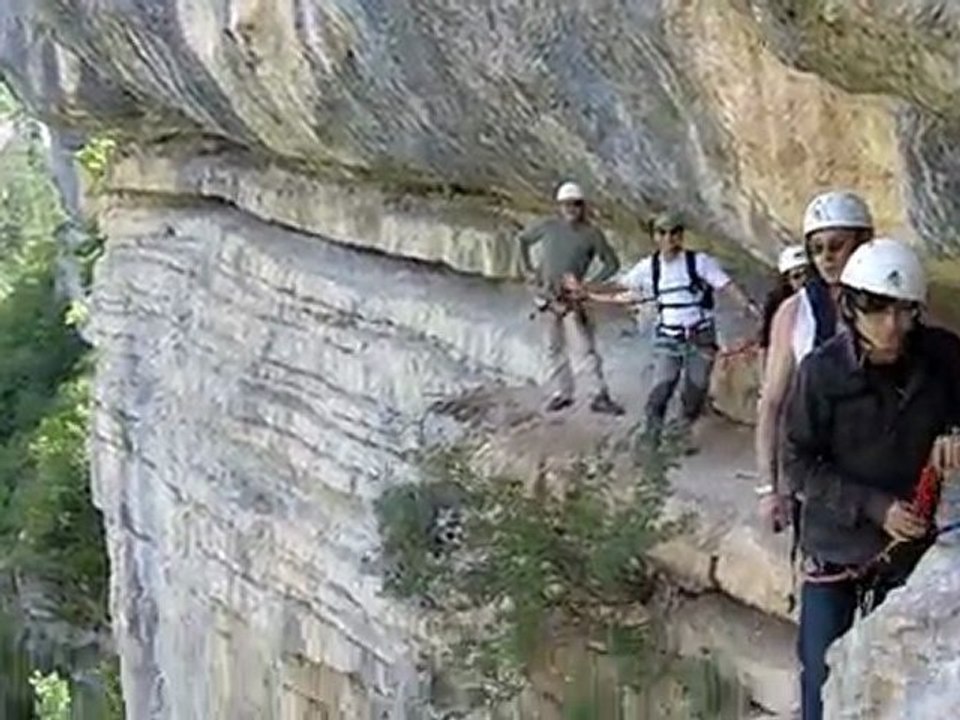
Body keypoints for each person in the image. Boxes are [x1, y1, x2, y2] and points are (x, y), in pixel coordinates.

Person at [781, 237, 960, 720]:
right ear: (850, 306)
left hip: (909, 549)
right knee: (819, 677)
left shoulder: (942, 359)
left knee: (899, 685)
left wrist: (954, 433)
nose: (890, 327)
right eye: (876, 310)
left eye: (903, 312)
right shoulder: (822, 374)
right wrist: (875, 506)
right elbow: (797, 463)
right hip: (836, 546)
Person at [581, 210, 759, 449]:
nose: (669, 238)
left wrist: (746, 306)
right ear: (656, 236)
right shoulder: (649, 267)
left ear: (681, 235)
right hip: (669, 336)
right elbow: (620, 288)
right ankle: (651, 437)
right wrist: (587, 292)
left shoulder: (699, 263)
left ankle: (680, 434)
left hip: (699, 336)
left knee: (694, 391)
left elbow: (726, 285)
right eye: (663, 233)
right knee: (662, 386)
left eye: (674, 232)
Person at [756, 191, 874, 529]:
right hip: (820, 469)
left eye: (837, 246)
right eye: (817, 249)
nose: (826, 258)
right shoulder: (796, 313)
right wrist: (769, 489)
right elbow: (772, 403)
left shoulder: (890, 306)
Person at [517, 181, 625, 415]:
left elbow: (612, 263)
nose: (571, 209)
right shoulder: (548, 226)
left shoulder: (591, 234)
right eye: (566, 205)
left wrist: (587, 286)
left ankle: (599, 395)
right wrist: (527, 270)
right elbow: (523, 240)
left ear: (582, 206)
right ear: (560, 206)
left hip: (570, 301)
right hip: (546, 298)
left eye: (575, 204)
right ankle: (563, 393)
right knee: (553, 348)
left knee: (585, 349)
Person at [758, 245, 810, 368]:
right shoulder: (777, 302)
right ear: (787, 280)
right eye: (797, 276)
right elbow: (765, 342)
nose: (804, 280)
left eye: (808, 274)